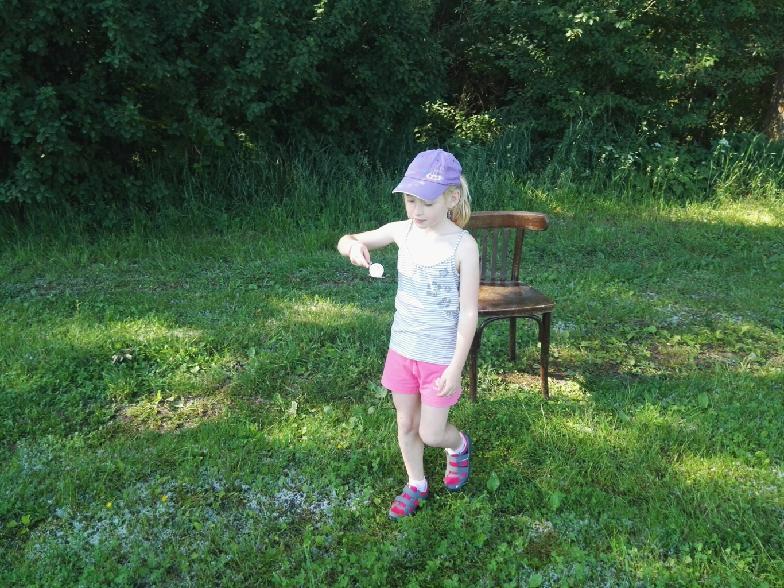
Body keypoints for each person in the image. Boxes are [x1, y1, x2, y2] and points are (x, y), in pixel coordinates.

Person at [336, 149, 480, 519]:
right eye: (410, 200)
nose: (417, 211)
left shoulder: (464, 246)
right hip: (402, 350)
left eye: (427, 203)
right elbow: (346, 239)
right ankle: (416, 483)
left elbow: (469, 312)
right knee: (406, 423)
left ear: (452, 198)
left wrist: (456, 367)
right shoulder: (402, 231)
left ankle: (458, 445)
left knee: (432, 433)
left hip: (440, 358)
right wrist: (354, 247)